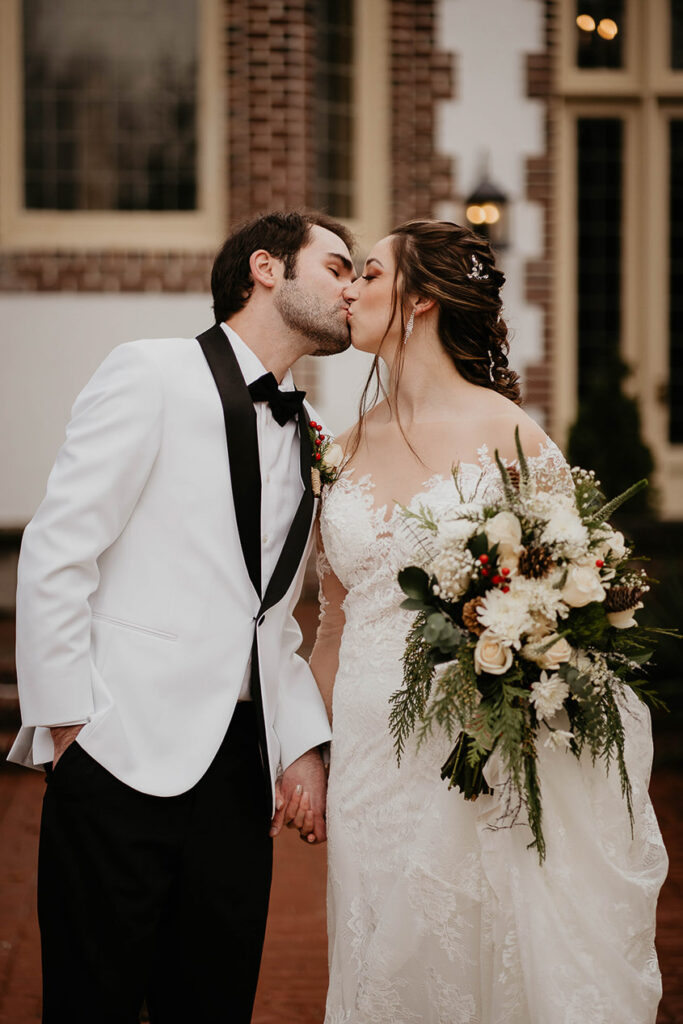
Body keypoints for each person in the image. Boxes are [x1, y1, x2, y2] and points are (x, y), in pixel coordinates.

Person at [311, 220, 668, 1023]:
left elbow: (576, 593)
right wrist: (303, 749)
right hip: (369, 753)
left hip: (479, 743)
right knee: (375, 952)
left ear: (422, 301)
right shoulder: (341, 448)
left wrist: (527, 663)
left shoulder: (509, 435)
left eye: (368, 274)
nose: (349, 289)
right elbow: (332, 619)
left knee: (475, 943)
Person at [9, 209, 356, 1023]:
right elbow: (59, 551)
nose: (352, 287)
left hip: (239, 772)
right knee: (91, 1000)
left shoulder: (311, 432)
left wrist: (298, 745)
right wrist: (68, 730)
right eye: (338, 266)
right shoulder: (151, 371)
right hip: (116, 750)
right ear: (266, 269)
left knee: (214, 998)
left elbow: (273, 618)